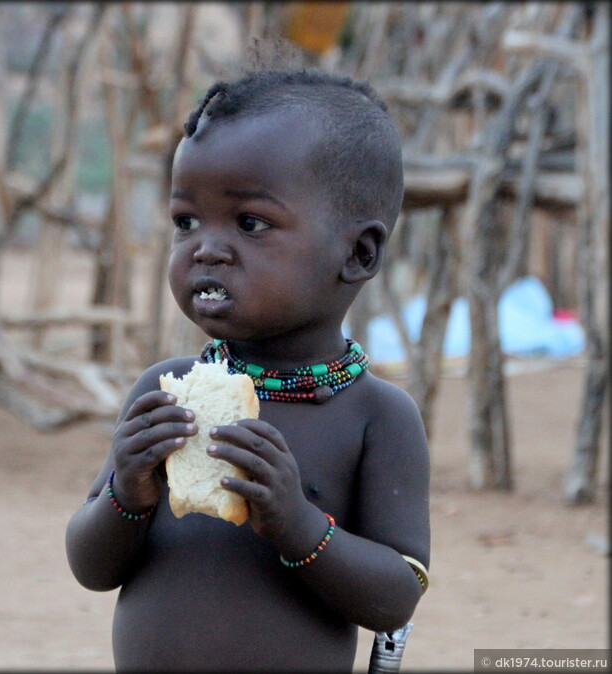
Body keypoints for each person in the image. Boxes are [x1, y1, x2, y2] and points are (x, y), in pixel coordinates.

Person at [65, 66, 430, 672]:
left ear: (358, 254)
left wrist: (299, 526)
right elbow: (91, 567)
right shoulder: (162, 395)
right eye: (186, 221)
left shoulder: (376, 417)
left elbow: (396, 597)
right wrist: (126, 493)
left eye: (250, 223)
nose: (206, 248)